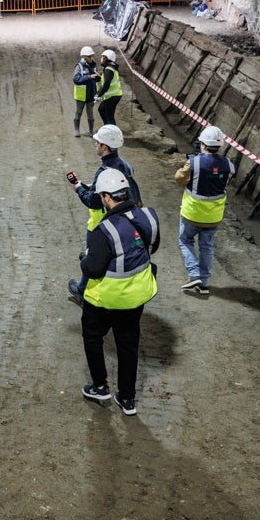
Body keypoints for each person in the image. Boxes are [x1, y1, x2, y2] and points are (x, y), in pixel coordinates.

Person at [79, 168, 160, 416]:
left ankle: (100, 386)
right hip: (137, 295)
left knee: (92, 336)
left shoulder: (104, 231)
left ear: (105, 197)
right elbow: (151, 247)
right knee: (128, 345)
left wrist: (84, 258)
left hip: (106, 299)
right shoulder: (149, 215)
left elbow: (93, 270)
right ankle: (127, 399)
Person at [67, 124, 141, 300]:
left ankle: (82, 290)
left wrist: (78, 188)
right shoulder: (125, 165)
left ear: (104, 147)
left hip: (102, 221)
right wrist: (90, 187)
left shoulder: (103, 171)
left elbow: (93, 201)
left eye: (97, 142)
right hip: (125, 218)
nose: (95, 145)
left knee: (94, 255)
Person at [176, 125, 236, 297]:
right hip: (214, 216)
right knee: (207, 247)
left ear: (202, 144)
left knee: (185, 241)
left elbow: (179, 179)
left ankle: (194, 274)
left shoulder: (194, 162)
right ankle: (205, 283)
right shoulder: (229, 165)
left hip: (192, 213)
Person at [72, 46, 100, 137]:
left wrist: (98, 76)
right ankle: (77, 130)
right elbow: (76, 79)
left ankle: (91, 131)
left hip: (91, 94)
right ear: (84, 57)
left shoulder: (94, 66)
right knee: (78, 112)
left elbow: (96, 79)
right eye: (90, 56)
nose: (92, 58)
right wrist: (89, 77)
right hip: (81, 95)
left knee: (90, 114)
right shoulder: (79, 66)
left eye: (92, 56)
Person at [95, 49, 123, 126]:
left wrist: (99, 94)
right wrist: (98, 93)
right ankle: (107, 127)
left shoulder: (109, 70)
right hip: (113, 96)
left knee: (109, 116)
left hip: (113, 96)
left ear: (107, 59)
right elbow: (104, 83)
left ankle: (112, 132)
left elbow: (106, 84)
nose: (101, 59)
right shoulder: (109, 68)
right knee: (101, 110)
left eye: (103, 57)